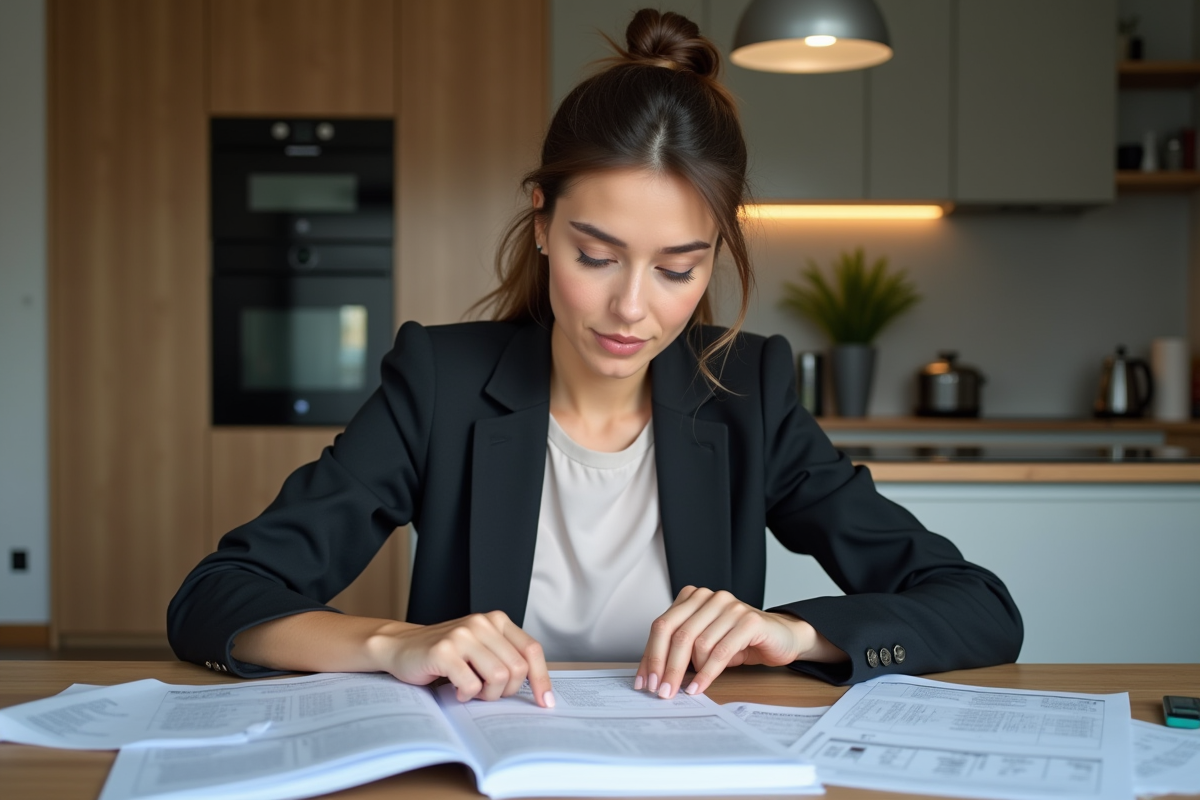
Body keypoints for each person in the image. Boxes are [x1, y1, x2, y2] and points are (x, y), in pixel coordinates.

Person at [168, 9, 1022, 709]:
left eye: (677, 269)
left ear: (714, 259)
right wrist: (397, 642)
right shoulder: (441, 381)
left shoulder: (747, 391)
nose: (631, 308)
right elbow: (217, 598)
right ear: (542, 223)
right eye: (596, 255)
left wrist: (796, 633)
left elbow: (979, 608)